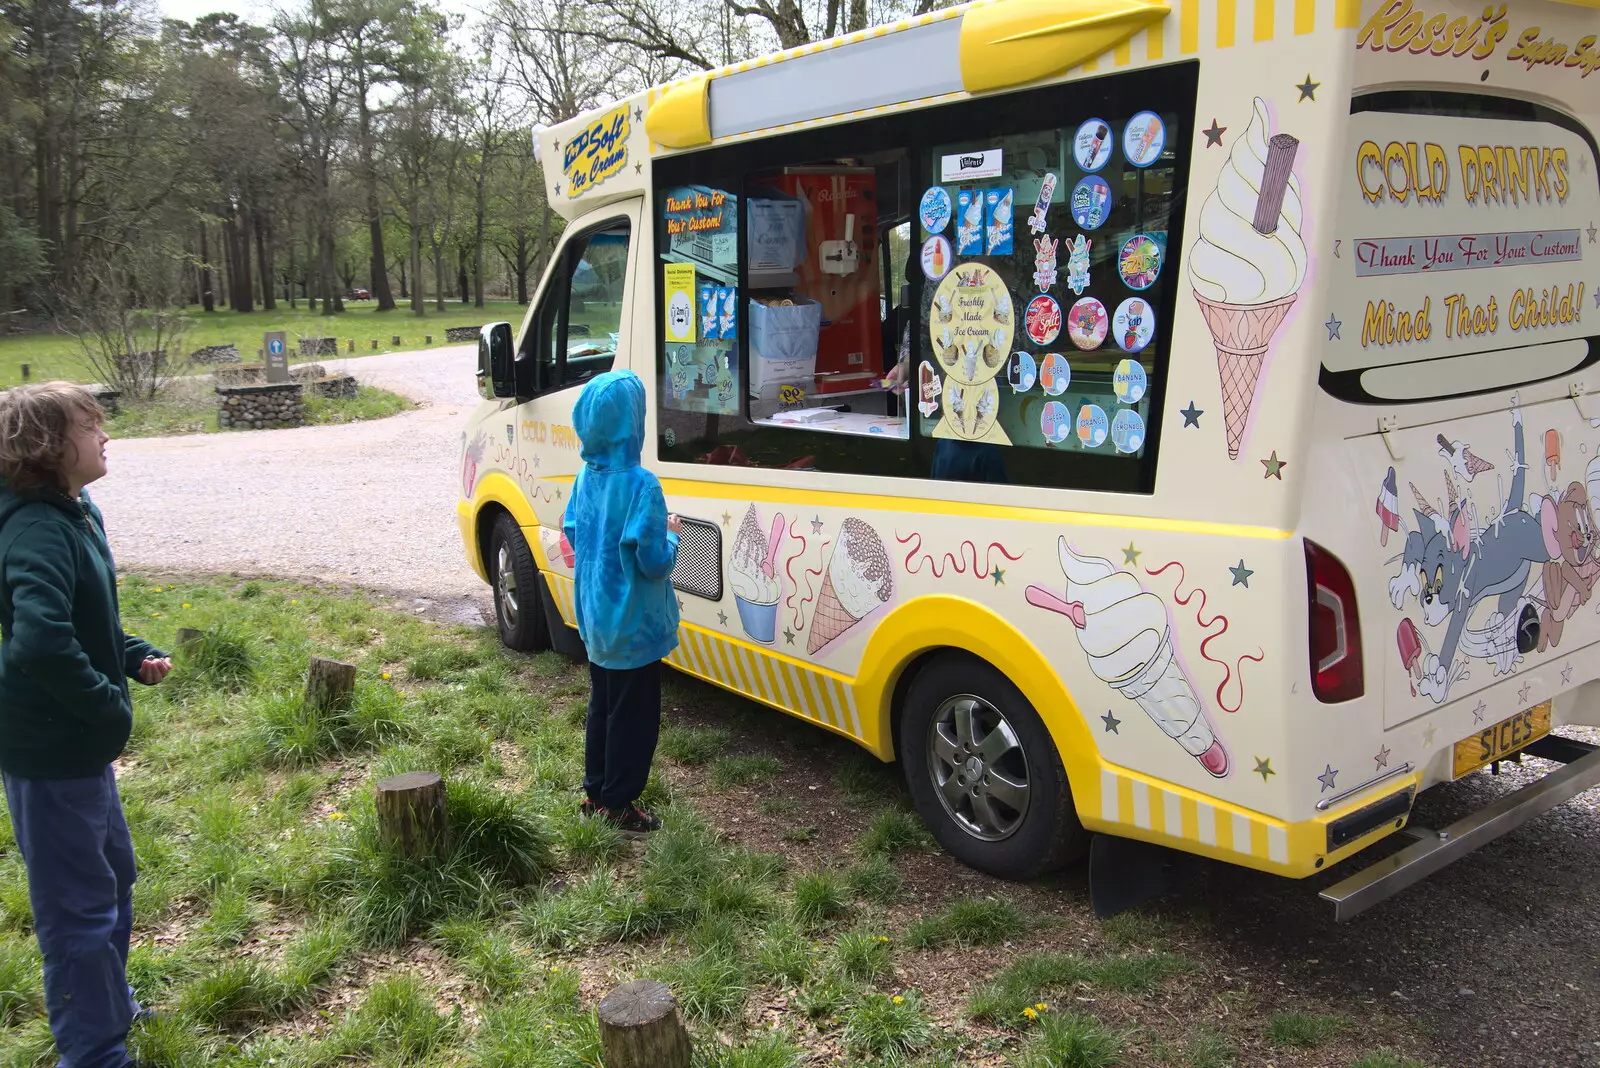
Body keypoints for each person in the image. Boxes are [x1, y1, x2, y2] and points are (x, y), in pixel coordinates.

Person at [0, 382, 171, 1068]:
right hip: (52, 750)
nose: (106, 437)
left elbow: (79, 613)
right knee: (78, 911)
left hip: (80, 745)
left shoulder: (72, 509)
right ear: (47, 447)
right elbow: (38, 642)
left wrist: (126, 655)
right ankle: (94, 1053)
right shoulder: (35, 527)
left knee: (113, 878)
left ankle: (109, 1005)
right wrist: (104, 701)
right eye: (90, 426)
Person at [564, 370, 680, 835]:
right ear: (635, 422)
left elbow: (573, 530)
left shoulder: (584, 478)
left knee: (603, 706)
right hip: (634, 626)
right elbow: (654, 561)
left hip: (594, 615)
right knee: (634, 718)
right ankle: (620, 802)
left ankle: (596, 791)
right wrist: (672, 534)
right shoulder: (642, 486)